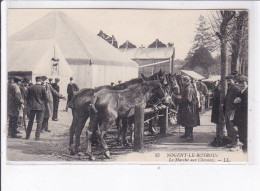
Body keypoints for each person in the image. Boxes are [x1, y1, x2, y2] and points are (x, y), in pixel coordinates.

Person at [177, 75, 200, 142]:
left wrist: (180, 99)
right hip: (187, 107)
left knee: (189, 121)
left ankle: (190, 136)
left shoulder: (188, 88)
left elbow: (188, 99)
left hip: (189, 108)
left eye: (183, 81)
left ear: (187, 81)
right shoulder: (187, 87)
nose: (182, 82)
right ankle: (186, 134)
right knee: (186, 121)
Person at [223, 73, 240, 146]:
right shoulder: (230, 88)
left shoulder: (235, 88)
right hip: (228, 109)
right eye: (227, 80)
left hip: (232, 110)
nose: (229, 82)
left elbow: (238, 99)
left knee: (232, 126)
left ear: (234, 80)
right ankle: (232, 142)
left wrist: (234, 108)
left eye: (230, 80)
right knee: (228, 126)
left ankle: (235, 143)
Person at [233, 75, 248, 152]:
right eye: (240, 84)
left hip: (245, 117)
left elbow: (247, 105)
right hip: (240, 116)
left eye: (243, 84)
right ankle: (243, 148)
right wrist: (236, 102)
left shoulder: (248, 92)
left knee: (244, 134)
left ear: (246, 83)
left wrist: (238, 102)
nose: (242, 86)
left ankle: (246, 151)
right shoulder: (240, 92)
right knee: (241, 133)